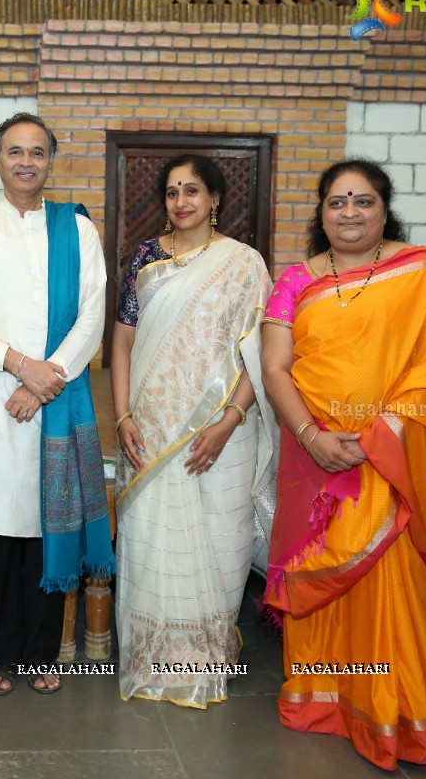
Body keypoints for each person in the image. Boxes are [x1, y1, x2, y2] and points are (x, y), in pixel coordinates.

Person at [261, 159, 426, 770]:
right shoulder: (296, 279)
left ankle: (393, 712)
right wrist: (311, 433)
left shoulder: (425, 272)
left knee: (390, 582)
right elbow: (275, 368)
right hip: (311, 455)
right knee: (319, 573)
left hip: (387, 457)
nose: (349, 213)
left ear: (385, 207)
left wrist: (378, 436)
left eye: (363, 201)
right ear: (321, 211)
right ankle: (324, 699)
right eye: (337, 202)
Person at [0, 112, 113, 696]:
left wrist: (45, 379)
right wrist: (21, 368)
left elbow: (92, 315)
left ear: (50, 162)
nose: (25, 162)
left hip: (57, 398)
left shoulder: (77, 231)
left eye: (37, 152)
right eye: (14, 151)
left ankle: (42, 655)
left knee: (47, 524)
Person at [111, 155, 276, 708]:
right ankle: (156, 656)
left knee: (220, 539)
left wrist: (227, 420)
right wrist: (123, 416)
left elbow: (264, 353)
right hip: (152, 427)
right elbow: (123, 342)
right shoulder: (146, 259)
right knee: (154, 535)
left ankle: (206, 653)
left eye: (193, 191)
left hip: (224, 428)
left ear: (215, 200)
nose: (181, 201)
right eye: (173, 192)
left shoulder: (244, 264)